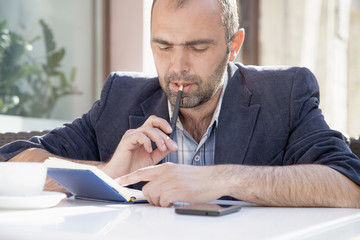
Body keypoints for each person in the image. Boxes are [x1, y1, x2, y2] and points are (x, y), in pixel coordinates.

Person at [1, 0, 360, 208]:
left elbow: (348, 185)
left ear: (234, 45)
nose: (178, 67)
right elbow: (12, 163)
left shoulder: (285, 92)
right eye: (163, 46)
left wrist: (218, 179)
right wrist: (108, 175)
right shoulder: (121, 96)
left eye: (198, 47)